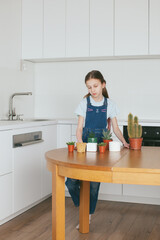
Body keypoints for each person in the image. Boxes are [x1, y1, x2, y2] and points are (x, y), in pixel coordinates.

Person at [65, 70, 129, 228]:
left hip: (101, 149)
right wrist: (80, 143)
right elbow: (79, 128)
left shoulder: (110, 104)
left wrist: (125, 142)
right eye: (89, 87)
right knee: (71, 182)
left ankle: (86, 215)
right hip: (85, 147)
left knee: (93, 186)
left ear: (103, 85)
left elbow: (115, 128)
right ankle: (83, 206)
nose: (92, 90)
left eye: (95, 86)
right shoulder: (83, 103)